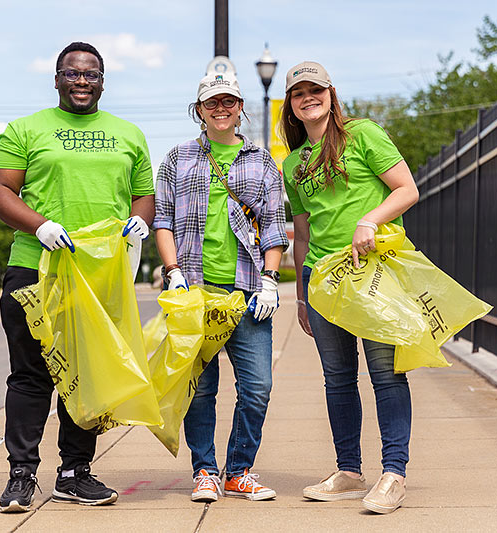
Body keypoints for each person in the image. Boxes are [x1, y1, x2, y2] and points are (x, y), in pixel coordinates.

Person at [0, 41, 154, 513]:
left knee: (87, 375)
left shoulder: (129, 134)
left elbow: (143, 194)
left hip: (100, 273)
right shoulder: (26, 128)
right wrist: (40, 224)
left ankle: (74, 473)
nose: (82, 81)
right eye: (72, 73)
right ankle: (21, 474)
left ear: (103, 81)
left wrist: (140, 219)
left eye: (91, 74)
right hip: (35, 269)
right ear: (57, 78)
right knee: (30, 375)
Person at [280, 61, 419, 514]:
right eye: (299, 93)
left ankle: (393, 473)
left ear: (330, 94)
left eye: (314, 90)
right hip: (324, 281)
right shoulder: (294, 162)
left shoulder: (362, 135)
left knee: (385, 373)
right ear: (291, 104)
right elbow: (301, 233)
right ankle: (349, 472)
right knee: (338, 379)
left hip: (373, 273)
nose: (308, 98)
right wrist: (302, 294)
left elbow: (406, 189)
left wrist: (370, 219)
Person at [154, 72, 289, 502]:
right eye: (211, 102)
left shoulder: (261, 161)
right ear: (199, 110)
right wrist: (172, 270)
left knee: (257, 387)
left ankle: (239, 469)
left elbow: (273, 226)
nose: (220, 108)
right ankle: (206, 471)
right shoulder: (177, 159)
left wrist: (270, 280)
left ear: (240, 107)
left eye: (228, 101)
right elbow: (162, 219)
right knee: (201, 388)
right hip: (195, 291)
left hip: (248, 292)